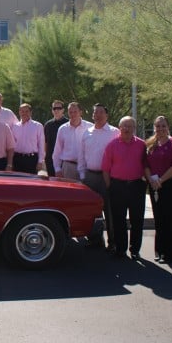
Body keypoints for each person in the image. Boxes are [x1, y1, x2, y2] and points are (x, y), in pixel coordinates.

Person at [102, 116, 147, 260]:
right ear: (119, 128)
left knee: (137, 220)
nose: (126, 129)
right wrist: (110, 186)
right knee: (118, 219)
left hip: (136, 186)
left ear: (134, 128)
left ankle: (135, 249)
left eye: (130, 126)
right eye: (124, 126)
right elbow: (105, 169)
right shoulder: (112, 145)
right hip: (118, 186)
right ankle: (121, 249)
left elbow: (146, 166)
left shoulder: (141, 145)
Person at [77, 103, 120, 249]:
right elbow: (81, 155)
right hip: (90, 176)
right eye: (96, 112)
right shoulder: (87, 132)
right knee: (92, 210)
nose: (98, 115)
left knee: (109, 210)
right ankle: (95, 239)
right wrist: (82, 175)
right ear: (92, 115)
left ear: (106, 115)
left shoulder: (114, 132)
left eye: (101, 112)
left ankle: (113, 242)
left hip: (106, 177)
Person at [144, 115, 172, 264]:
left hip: (171, 186)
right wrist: (152, 181)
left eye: (163, 126)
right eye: (157, 126)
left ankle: (171, 255)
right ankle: (159, 251)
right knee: (159, 220)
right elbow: (145, 165)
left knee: (171, 220)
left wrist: (161, 180)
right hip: (155, 186)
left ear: (168, 127)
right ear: (154, 128)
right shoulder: (150, 144)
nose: (160, 129)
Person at [52, 102, 92, 180]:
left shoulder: (90, 127)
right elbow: (57, 151)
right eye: (70, 112)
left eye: (75, 111)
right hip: (68, 168)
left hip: (86, 167)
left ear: (81, 112)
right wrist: (57, 169)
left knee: (84, 192)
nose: (73, 114)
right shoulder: (63, 129)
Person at [11, 103, 45, 174]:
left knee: (31, 183)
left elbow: (41, 145)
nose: (24, 113)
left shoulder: (38, 126)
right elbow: (12, 145)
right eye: (22, 111)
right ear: (19, 112)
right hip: (17, 159)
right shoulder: (15, 127)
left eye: (27, 111)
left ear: (30, 112)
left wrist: (40, 162)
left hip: (31, 159)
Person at [44, 100, 68, 177]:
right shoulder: (48, 125)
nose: (56, 110)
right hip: (50, 160)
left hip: (64, 160)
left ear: (63, 110)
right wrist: (44, 159)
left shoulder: (68, 124)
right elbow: (45, 143)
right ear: (52, 110)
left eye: (59, 108)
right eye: (54, 108)